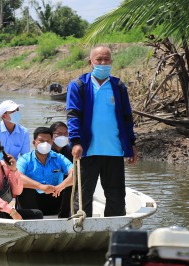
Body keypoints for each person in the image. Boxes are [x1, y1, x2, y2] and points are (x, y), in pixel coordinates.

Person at [66, 45, 137, 218]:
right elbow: (73, 115)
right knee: (83, 195)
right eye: (99, 60)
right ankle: (81, 230)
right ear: (91, 62)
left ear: (111, 62)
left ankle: (112, 230)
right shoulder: (79, 85)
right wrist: (75, 142)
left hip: (114, 150)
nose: (103, 63)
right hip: (87, 150)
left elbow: (127, 117)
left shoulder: (118, 86)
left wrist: (131, 144)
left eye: (106, 59)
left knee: (117, 196)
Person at [17, 127, 73, 217]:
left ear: (52, 142)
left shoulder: (59, 158)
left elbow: (75, 173)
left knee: (69, 184)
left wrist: (61, 186)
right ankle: (32, 217)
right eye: (41, 141)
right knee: (24, 188)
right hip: (33, 200)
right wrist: (40, 186)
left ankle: (64, 216)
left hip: (55, 195)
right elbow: (17, 177)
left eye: (48, 141)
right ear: (34, 142)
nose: (45, 144)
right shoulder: (25, 159)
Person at [49, 121, 72, 218]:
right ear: (51, 135)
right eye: (59, 134)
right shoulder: (46, 151)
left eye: (65, 134)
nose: (63, 136)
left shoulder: (70, 151)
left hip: (64, 186)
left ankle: (65, 215)